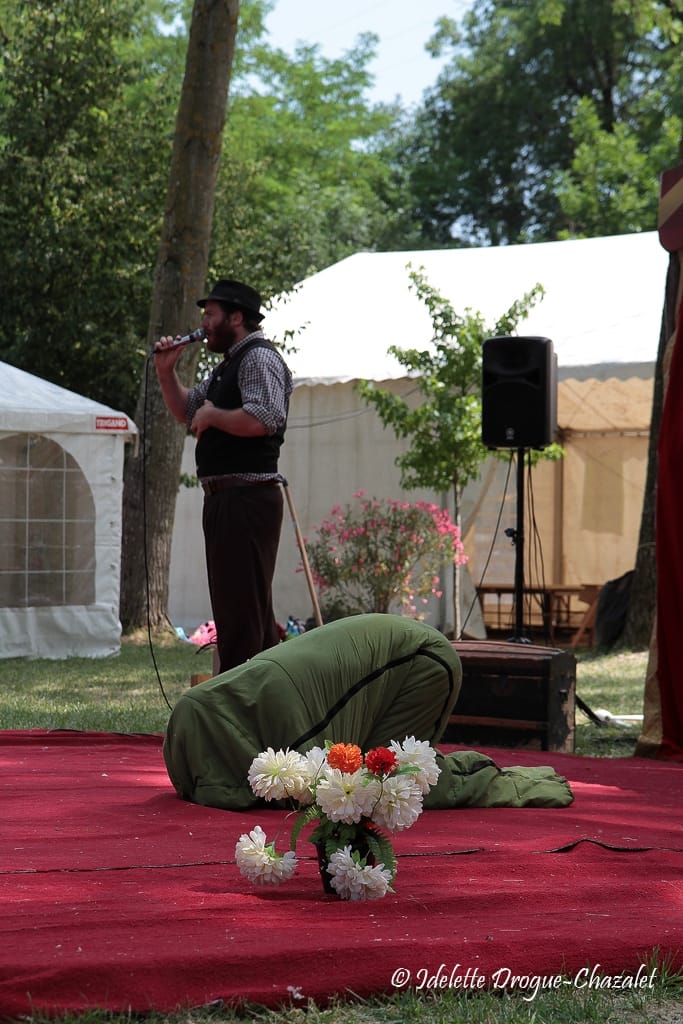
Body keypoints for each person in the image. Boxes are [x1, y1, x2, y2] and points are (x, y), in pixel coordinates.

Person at [163, 614, 573, 812]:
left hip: (425, 660)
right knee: (374, 778)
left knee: (390, 786)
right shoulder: (222, 707)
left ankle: (495, 782)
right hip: (397, 651)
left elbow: (314, 791)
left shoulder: (274, 723)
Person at [154, 279, 293, 672]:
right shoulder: (230, 364)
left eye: (211, 314)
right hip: (226, 498)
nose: (204, 322)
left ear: (237, 317)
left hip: (247, 497)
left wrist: (214, 416)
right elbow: (187, 411)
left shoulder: (258, 359)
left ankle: (242, 704)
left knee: (241, 611)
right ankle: (260, 699)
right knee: (240, 607)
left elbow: (265, 418)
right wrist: (168, 372)